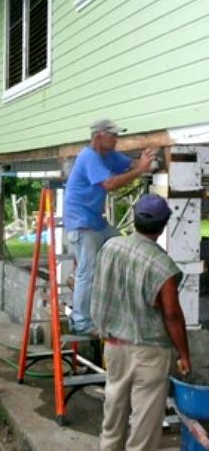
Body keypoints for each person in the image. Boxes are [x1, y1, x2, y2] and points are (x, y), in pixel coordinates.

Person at [91, 193, 190, 451]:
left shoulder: (110, 247)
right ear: (163, 225)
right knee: (144, 430)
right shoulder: (162, 265)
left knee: (112, 421)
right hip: (149, 353)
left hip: (113, 347)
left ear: (134, 219)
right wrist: (183, 354)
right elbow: (171, 315)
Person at [63, 118, 155, 335]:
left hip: (94, 220)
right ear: (98, 136)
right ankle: (81, 322)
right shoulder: (89, 156)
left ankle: (75, 277)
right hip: (81, 222)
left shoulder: (108, 156)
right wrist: (140, 170)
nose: (117, 139)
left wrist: (145, 160)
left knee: (120, 244)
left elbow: (130, 164)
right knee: (89, 271)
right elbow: (110, 184)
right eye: (113, 135)